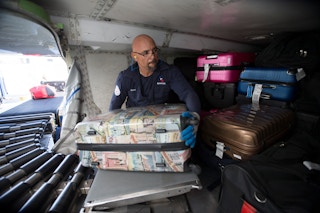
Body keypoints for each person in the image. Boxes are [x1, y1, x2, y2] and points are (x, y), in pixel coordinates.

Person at [109, 34, 201, 148]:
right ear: (134, 56)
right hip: (136, 127)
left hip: (161, 125)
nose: (152, 57)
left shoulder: (169, 71)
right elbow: (114, 108)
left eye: (154, 51)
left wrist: (195, 119)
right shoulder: (125, 77)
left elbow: (188, 94)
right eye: (145, 53)